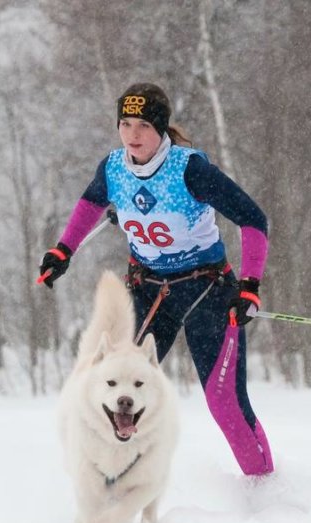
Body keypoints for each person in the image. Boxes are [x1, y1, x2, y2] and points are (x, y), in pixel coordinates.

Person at [39, 83, 273, 476]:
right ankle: (107, 492)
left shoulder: (190, 169)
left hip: (207, 290)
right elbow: (90, 204)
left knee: (224, 402)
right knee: (109, 391)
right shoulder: (114, 168)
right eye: (125, 124)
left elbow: (253, 219)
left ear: (161, 129)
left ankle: (266, 491)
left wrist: (249, 286)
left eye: (143, 125)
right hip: (149, 292)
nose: (133, 135)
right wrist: (64, 250)